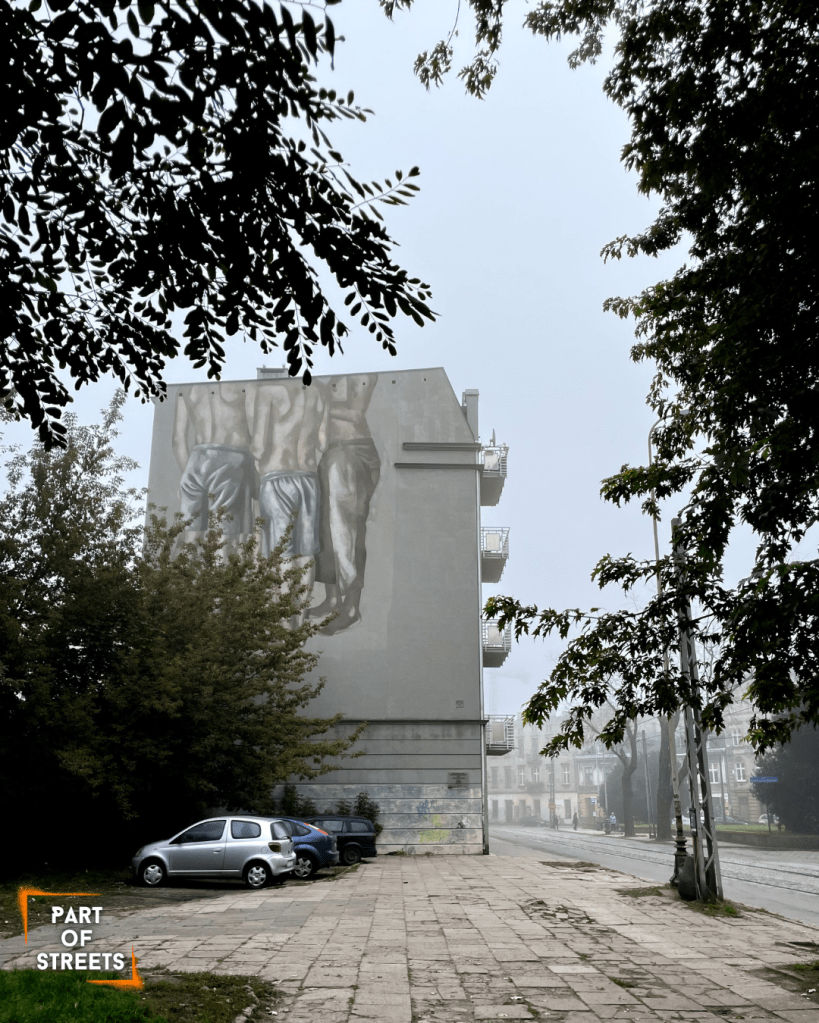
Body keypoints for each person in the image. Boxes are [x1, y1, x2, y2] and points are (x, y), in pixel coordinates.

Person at [307, 374, 381, 635]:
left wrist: (318, 397)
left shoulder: (362, 371)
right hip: (332, 453)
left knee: (346, 532)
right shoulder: (336, 374)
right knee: (326, 532)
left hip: (351, 451)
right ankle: (333, 600)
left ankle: (351, 608)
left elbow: (356, 414)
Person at [249, 377, 330, 611]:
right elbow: (323, 443)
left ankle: (284, 622)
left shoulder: (267, 391)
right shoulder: (320, 392)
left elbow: (258, 447)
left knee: (282, 552)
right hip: (308, 478)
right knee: (305, 554)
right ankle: (300, 623)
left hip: (276, 477)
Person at [172, 383, 256, 550]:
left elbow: (177, 440)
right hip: (232, 461)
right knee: (225, 539)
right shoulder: (245, 386)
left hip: (196, 462)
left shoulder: (185, 389)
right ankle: (220, 575)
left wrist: (185, 473)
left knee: (190, 536)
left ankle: (182, 576)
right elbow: (257, 436)